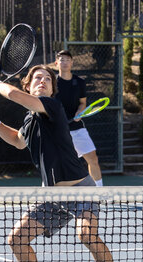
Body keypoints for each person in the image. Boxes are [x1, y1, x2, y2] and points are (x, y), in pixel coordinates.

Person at [0, 65, 132, 262]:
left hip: (81, 190)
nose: (42, 81)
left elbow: (15, 95)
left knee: (87, 235)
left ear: (51, 88)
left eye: (47, 79)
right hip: (51, 196)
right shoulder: (30, 119)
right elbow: (18, 141)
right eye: (37, 78)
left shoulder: (52, 106)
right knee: (16, 239)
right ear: (29, 85)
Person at [54, 50, 104, 187]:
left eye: (68, 59)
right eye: (62, 59)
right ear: (56, 63)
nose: (65, 62)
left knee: (93, 159)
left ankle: (99, 192)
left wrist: (79, 113)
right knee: (58, 165)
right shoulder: (51, 82)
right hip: (58, 131)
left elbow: (83, 103)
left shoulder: (79, 82)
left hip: (77, 128)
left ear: (72, 63)